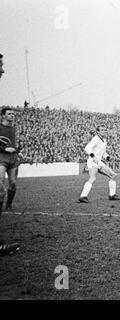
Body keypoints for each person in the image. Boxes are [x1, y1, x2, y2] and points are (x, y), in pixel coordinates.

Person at [0, 53, 20, 256]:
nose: (12, 116)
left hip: (13, 159)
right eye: (9, 114)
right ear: (2, 116)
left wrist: (15, 150)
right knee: (0, 187)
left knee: (13, 185)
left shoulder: (14, 129)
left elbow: (14, 143)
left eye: (13, 114)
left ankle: (10, 204)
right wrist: (4, 149)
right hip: (1, 157)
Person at [78, 125, 120, 203]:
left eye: (105, 130)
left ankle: (112, 195)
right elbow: (87, 148)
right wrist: (93, 156)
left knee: (113, 175)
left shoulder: (104, 141)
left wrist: (108, 157)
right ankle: (83, 196)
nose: (104, 131)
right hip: (93, 161)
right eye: (102, 130)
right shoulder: (95, 139)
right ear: (97, 132)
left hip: (99, 162)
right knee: (93, 178)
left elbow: (103, 152)